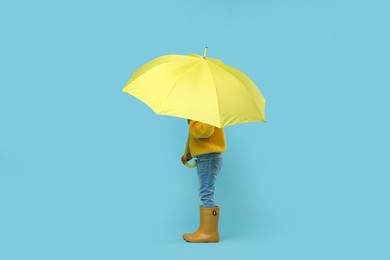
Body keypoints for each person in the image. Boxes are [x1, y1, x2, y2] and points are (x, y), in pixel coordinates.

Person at [181, 119, 226, 243]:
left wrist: (191, 121)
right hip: (207, 155)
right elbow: (202, 139)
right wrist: (189, 154)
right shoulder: (205, 110)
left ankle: (209, 233)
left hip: (209, 156)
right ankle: (205, 230)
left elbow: (205, 130)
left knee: (206, 192)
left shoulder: (207, 111)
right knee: (205, 191)